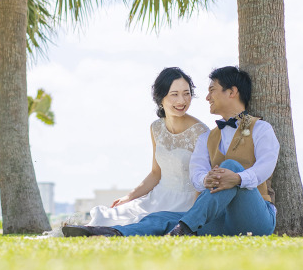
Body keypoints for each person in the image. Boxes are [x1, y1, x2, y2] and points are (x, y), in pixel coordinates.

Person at [63, 66, 278, 237]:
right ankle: (111, 232)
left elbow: (264, 169)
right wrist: (207, 180)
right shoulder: (208, 137)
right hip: (221, 220)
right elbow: (196, 175)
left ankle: (185, 227)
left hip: (256, 219)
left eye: (212, 89)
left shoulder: (261, 129)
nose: (206, 97)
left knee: (229, 166)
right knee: (161, 217)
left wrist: (236, 178)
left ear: (231, 92)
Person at [85, 67, 209, 227]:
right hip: (157, 197)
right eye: (174, 94)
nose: (182, 101)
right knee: (108, 217)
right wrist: (129, 198)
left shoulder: (201, 132)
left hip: (187, 202)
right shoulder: (156, 128)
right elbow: (156, 173)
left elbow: (204, 180)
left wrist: (194, 214)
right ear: (160, 97)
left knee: (140, 224)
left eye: (186, 93)